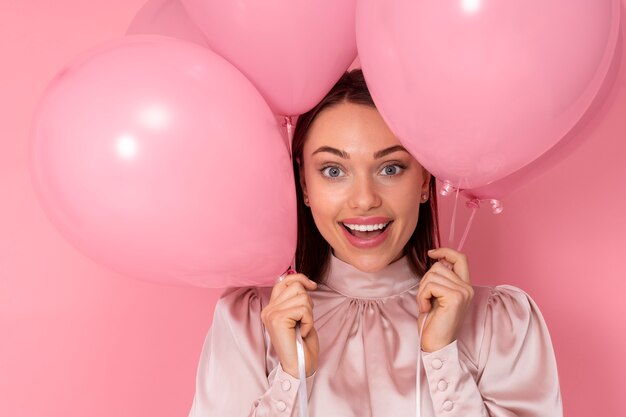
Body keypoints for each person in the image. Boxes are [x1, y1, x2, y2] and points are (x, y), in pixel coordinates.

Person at [188, 70, 562, 416]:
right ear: (305, 185)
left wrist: (442, 355)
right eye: (333, 171)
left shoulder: (500, 321)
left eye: (390, 168)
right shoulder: (251, 321)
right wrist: (290, 378)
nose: (364, 199)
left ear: (424, 182)